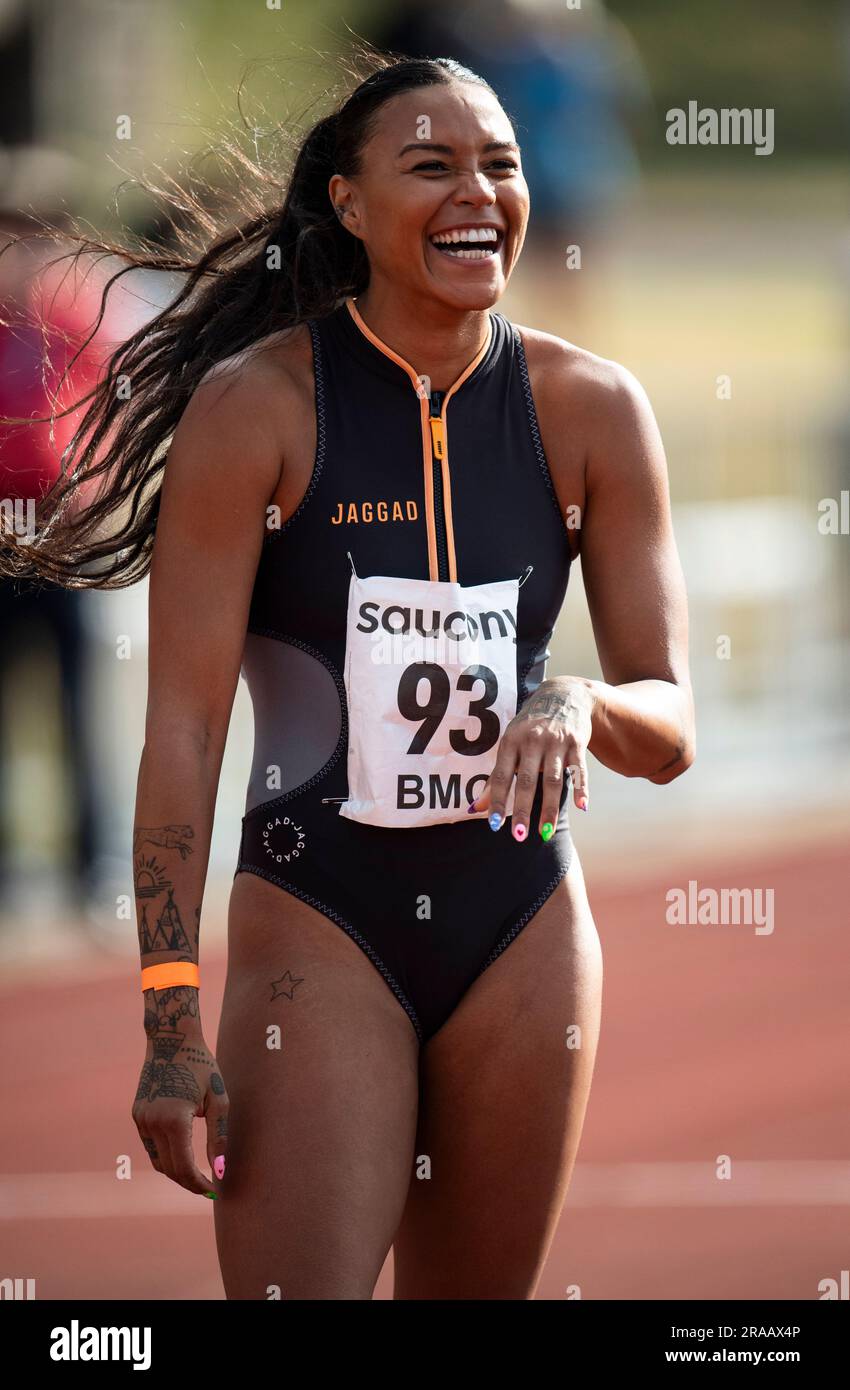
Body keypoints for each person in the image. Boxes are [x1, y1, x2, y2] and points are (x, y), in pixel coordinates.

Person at [0, 52, 694, 1300]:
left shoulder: (591, 408)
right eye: (429, 166)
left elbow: (670, 719)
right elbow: (181, 730)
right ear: (349, 205)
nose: (477, 190)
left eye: (500, 164)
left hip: (524, 928)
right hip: (322, 926)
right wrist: (169, 1017)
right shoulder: (255, 407)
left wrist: (576, 700)